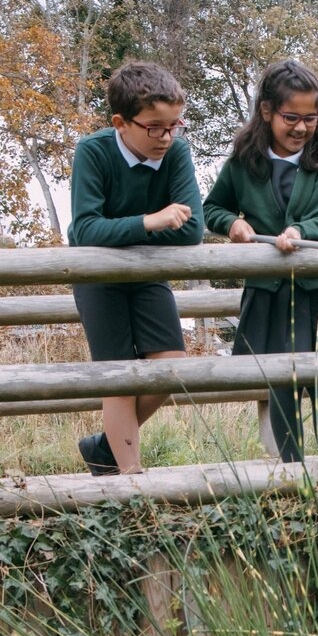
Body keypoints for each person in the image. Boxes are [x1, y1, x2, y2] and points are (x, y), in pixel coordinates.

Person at [204, 58, 318, 463]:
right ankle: (290, 467)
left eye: (311, 118)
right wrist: (233, 224)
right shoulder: (242, 163)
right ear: (267, 111)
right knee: (280, 379)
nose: (301, 127)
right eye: (291, 117)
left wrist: (299, 232)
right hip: (269, 290)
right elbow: (213, 208)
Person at [69, 60, 204, 475]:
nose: (166, 137)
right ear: (121, 122)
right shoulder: (93, 152)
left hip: (148, 274)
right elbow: (85, 228)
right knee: (118, 377)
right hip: (97, 277)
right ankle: (130, 480)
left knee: (171, 366)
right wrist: (149, 221)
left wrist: (123, 233)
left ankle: (103, 448)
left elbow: (191, 229)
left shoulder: (177, 152)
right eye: (155, 127)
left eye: (174, 125)